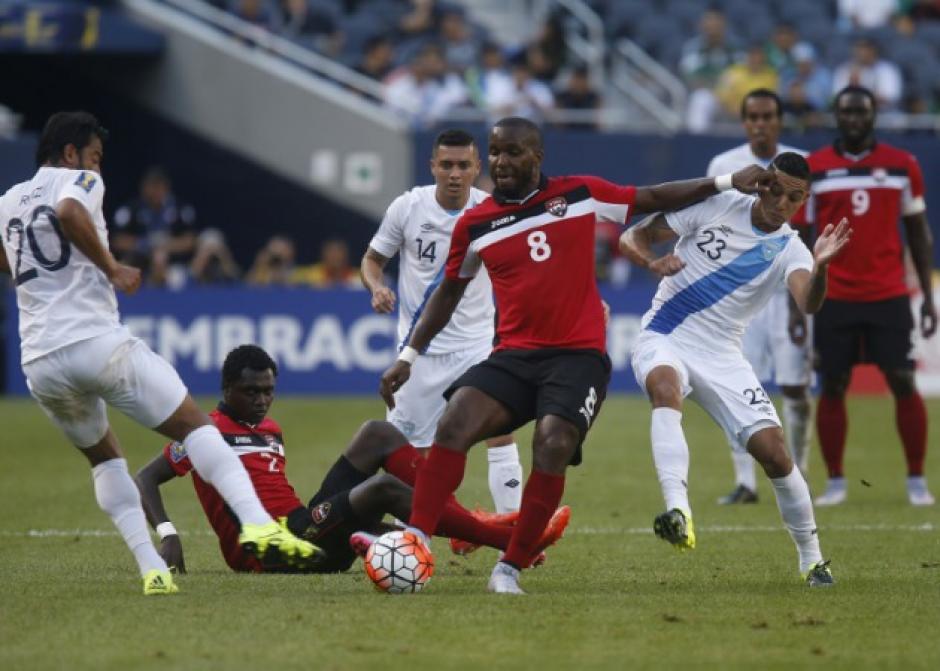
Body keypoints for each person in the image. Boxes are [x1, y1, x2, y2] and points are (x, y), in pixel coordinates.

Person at [380, 116, 774, 594]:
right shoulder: (475, 223)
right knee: (455, 422)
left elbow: (652, 196)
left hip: (577, 358)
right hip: (514, 357)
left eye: (512, 152)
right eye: (496, 152)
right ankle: (417, 541)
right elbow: (448, 293)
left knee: (552, 443)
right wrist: (409, 355)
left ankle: (510, 567)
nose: (501, 162)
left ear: (537, 156)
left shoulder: (579, 194)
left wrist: (726, 182)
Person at [0, 111, 320, 595]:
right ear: (70, 153)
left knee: (105, 460)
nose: (98, 168)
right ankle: (258, 524)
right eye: (95, 157)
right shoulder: (79, 181)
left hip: (41, 361)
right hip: (92, 340)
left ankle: (151, 568)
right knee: (196, 427)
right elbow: (67, 213)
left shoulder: (8, 201)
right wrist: (111, 267)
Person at [621, 152, 850, 586]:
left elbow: (809, 302)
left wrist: (821, 268)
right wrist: (651, 261)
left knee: (775, 454)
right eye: (775, 189)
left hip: (723, 354)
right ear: (763, 183)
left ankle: (813, 561)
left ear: (804, 201)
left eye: (794, 198)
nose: (781, 202)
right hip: (665, 333)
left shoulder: (791, 249)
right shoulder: (719, 204)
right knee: (665, 388)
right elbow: (635, 235)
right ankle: (678, 511)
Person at [135, 345, 569, 574]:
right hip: (270, 553)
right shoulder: (204, 435)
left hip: (303, 526)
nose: (263, 401)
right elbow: (145, 478)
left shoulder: (269, 430)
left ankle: (453, 526)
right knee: (381, 490)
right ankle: (511, 543)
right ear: (226, 389)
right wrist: (168, 535)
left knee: (376, 433)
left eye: (268, 391)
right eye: (252, 392)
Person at [362, 129, 524, 516]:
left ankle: (512, 529)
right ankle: (414, 535)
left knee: (500, 432)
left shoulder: (494, 211)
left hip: (476, 347)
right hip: (418, 353)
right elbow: (372, 260)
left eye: (463, 165)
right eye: (447, 165)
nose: (454, 174)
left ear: (477, 167)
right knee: (411, 452)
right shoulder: (407, 208)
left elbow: (530, 268)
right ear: (432, 166)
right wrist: (376, 287)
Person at [796, 86, 936, 506]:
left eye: (861, 112)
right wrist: (798, 302)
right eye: (846, 112)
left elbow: (918, 232)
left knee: (902, 379)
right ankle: (836, 482)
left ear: (874, 115)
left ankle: (917, 480)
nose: (854, 119)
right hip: (833, 295)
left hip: (888, 293)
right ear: (836, 117)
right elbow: (800, 240)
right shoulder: (814, 168)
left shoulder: (902, 165)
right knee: (833, 384)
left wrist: (928, 297)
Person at [706, 89, 812, 505]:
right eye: (753, 117)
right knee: (734, 388)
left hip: (786, 290)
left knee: (795, 386)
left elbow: (809, 229)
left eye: (768, 116)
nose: (760, 124)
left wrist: (802, 302)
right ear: (744, 121)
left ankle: (799, 472)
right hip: (738, 295)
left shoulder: (801, 165)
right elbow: (712, 222)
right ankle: (745, 482)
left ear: (779, 121)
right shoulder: (724, 165)